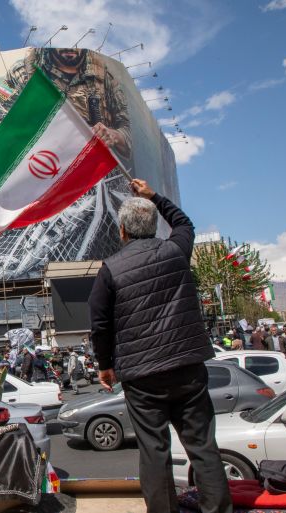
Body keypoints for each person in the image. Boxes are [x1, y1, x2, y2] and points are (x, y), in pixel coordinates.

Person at [88, 179, 232, 513]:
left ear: (122, 231)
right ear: (154, 226)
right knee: (203, 447)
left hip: (141, 377)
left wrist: (105, 365)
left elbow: (100, 325)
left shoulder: (109, 270)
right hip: (188, 368)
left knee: (154, 451)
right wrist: (154, 196)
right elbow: (184, 223)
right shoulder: (176, 249)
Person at [0, 48, 132, 167]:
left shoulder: (104, 76)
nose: (70, 48)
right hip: (42, 170)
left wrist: (113, 135)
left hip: (94, 172)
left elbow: (126, 133)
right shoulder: (21, 72)